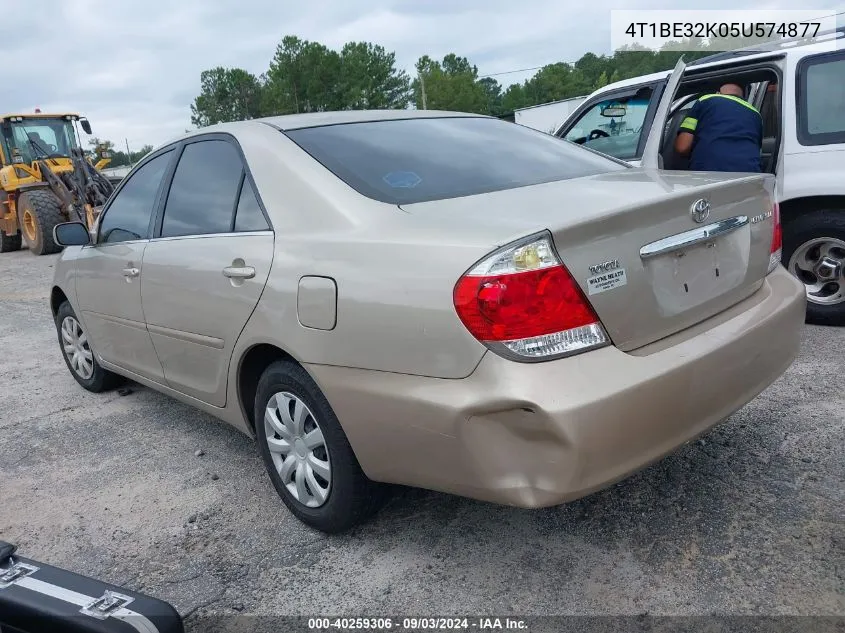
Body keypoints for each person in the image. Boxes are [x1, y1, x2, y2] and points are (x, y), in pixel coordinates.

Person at [674, 83, 763, 173]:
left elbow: (683, 147)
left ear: (718, 92)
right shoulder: (756, 114)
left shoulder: (706, 100)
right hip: (750, 175)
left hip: (709, 174)